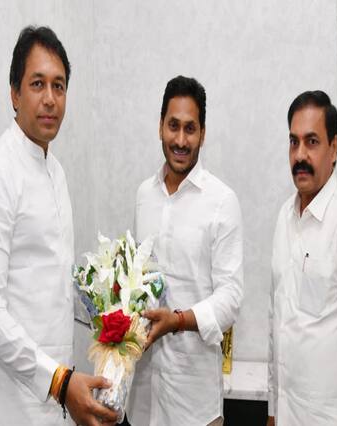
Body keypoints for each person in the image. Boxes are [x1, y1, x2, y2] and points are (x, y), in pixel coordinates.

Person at [0, 26, 117, 426]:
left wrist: (111, 308)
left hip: (56, 397)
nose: (50, 98)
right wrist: (59, 381)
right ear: (14, 94)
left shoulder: (55, 171)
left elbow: (49, 283)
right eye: (37, 84)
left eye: (59, 86)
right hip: (12, 403)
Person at [125, 75, 244, 426]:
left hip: (194, 406)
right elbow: (137, 281)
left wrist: (177, 321)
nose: (180, 140)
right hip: (142, 399)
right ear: (160, 126)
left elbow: (231, 299)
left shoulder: (222, 201)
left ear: (203, 133)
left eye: (190, 129)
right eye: (173, 126)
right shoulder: (144, 195)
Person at [267, 91, 337, 425]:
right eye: (294, 142)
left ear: (334, 148)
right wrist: (272, 410)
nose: (300, 155)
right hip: (287, 414)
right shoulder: (284, 217)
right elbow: (277, 323)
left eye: (312, 142)